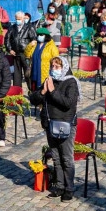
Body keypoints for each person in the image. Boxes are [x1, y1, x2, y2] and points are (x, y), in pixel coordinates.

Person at [29, 56, 81, 202]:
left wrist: (52, 91)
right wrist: (43, 92)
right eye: (52, 66)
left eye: (57, 67)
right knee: (56, 158)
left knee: (67, 158)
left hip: (65, 125)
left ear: (64, 67)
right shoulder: (48, 80)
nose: (54, 69)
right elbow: (33, 99)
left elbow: (67, 103)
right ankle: (59, 186)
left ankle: (69, 189)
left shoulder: (71, 82)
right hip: (50, 125)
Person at [5, 11, 36, 89]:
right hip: (15, 53)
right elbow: (7, 39)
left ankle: (31, 90)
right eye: (16, 19)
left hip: (26, 55)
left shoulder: (29, 27)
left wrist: (31, 48)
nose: (17, 20)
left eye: (19, 19)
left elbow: (34, 39)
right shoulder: (12, 27)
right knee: (16, 75)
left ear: (23, 19)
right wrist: (9, 49)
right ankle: (17, 92)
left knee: (28, 73)